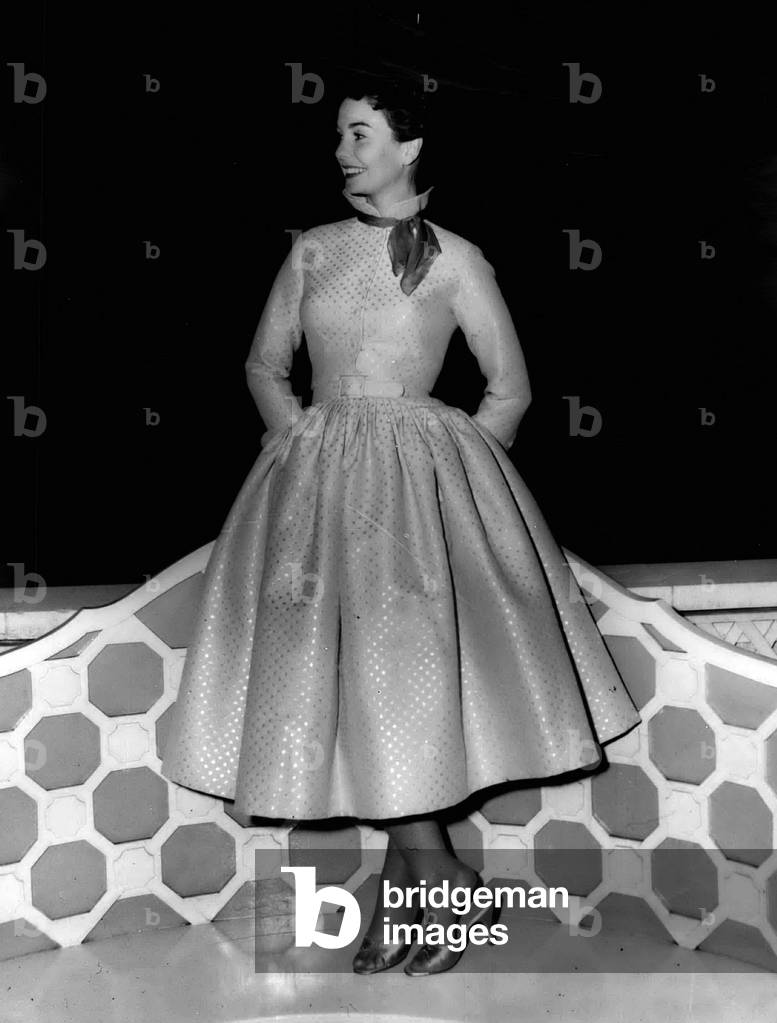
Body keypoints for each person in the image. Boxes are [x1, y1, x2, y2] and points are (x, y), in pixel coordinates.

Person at [159, 73, 641, 977]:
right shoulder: (311, 251)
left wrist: (453, 481)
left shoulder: (457, 258)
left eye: (360, 133)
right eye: (340, 135)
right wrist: (301, 440)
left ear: (408, 149)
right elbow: (265, 364)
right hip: (314, 492)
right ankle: (438, 875)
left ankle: (419, 888)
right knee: (348, 681)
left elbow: (510, 388)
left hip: (421, 505)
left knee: (396, 682)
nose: (343, 151)